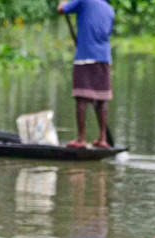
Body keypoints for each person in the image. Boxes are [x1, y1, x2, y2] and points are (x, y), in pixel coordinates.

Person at [57, 0, 114, 149]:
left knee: (81, 97)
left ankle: (81, 139)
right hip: (104, 58)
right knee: (101, 99)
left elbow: (62, 10)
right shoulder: (109, 8)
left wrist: (62, 2)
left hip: (86, 56)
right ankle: (102, 138)